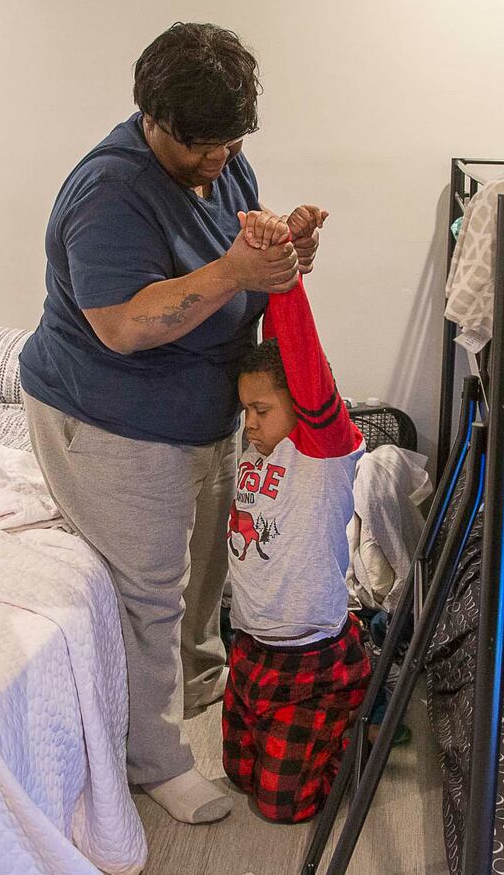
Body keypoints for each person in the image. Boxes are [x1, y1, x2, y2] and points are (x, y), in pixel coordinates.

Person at [18, 22, 326, 825]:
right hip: (112, 414)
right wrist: (234, 270)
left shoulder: (220, 156)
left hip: (202, 408)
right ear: (151, 118)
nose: (218, 159)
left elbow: (239, 247)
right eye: (200, 145)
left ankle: (193, 691)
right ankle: (151, 761)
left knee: (204, 570)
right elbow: (122, 324)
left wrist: (279, 251)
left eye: (230, 141)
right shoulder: (108, 193)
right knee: (148, 591)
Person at [221, 209, 370, 823]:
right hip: (251, 645)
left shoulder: (323, 451)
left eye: (261, 410)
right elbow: (266, 351)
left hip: (311, 657)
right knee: (238, 776)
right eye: (244, 410)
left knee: (285, 808)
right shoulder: (251, 443)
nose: (249, 423)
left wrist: (285, 273)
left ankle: (350, 719)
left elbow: (302, 361)